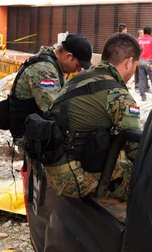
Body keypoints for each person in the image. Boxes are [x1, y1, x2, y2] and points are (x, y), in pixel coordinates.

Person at [41, 33, 141, 201]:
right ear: (129, 62)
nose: (133, 73)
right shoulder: (119, 95)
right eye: (135, 67)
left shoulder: (81, 78)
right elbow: (137, 149)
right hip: (71, 179)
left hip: (52, 169)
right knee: (138, 174)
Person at [5, 33, 93, 140]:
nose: (78, 70)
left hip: (39, 130)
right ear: (68, 56)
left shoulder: (53, 63)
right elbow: (55, 108)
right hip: (29, 137)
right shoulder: (44, 70)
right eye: (78, 65)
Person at [137, 27, 152, 101]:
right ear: (151, 32)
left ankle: (143, 96)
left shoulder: (138, 40)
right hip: (149, 62)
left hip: (140, 61)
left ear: (143, 32)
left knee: (141, 79)